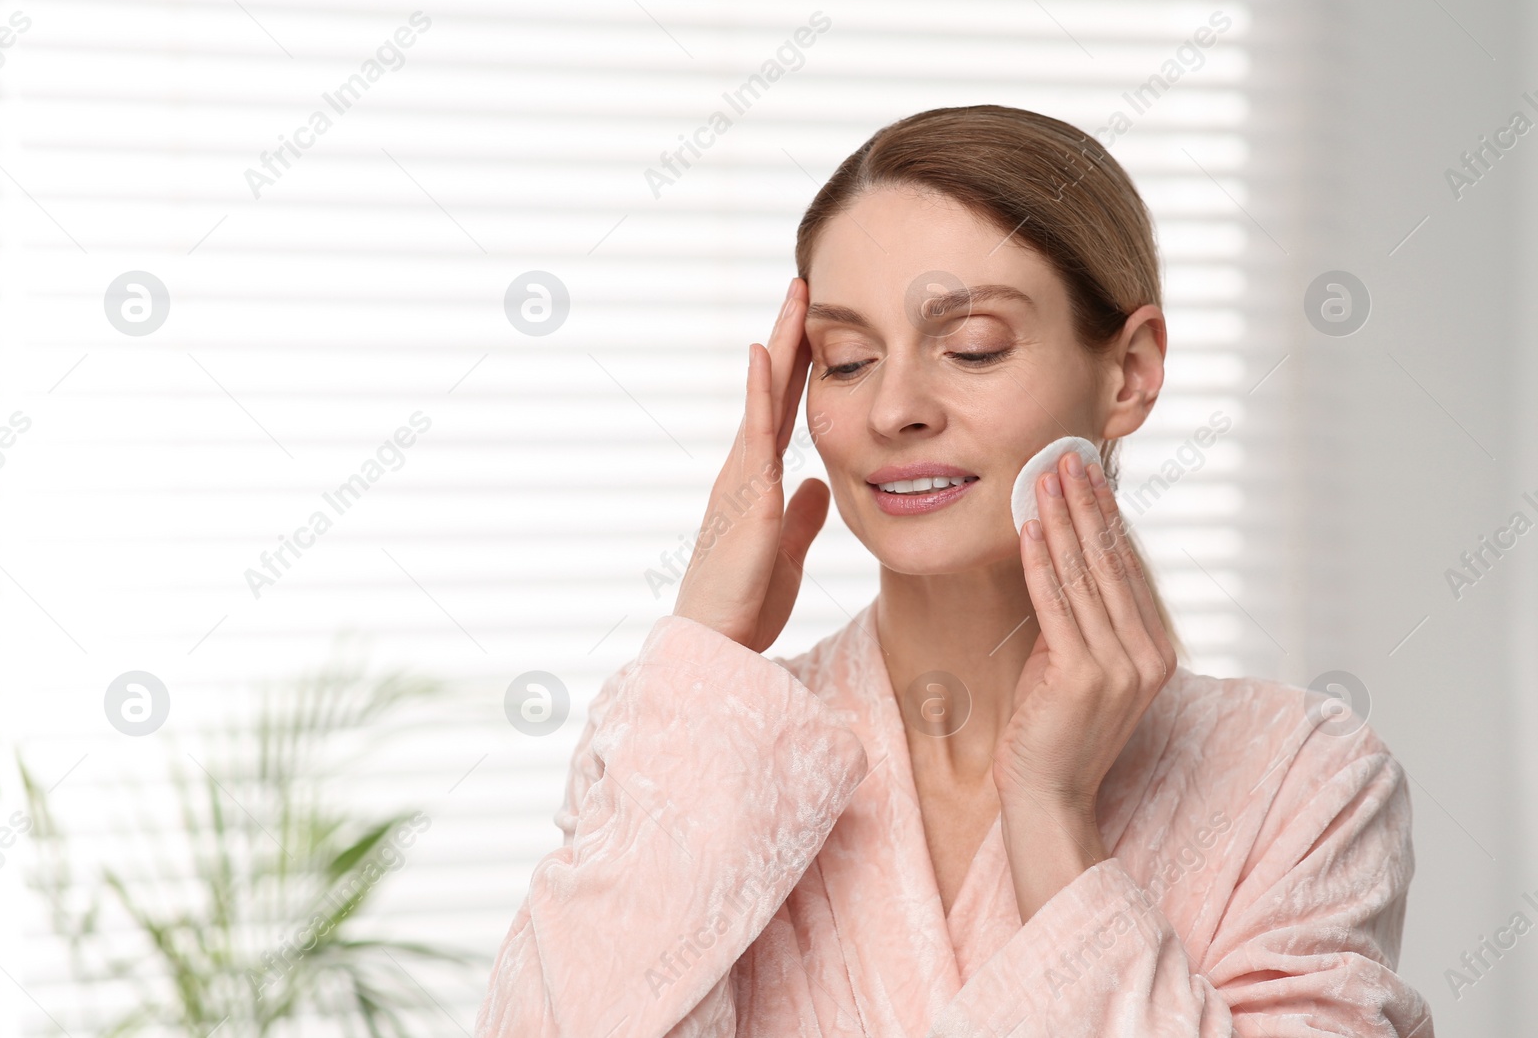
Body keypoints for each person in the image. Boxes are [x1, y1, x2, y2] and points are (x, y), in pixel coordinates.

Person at [472, 105, 1434, 1037]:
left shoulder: (1304, 782)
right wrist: (704, 649)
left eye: (972, 346)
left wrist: (1051, 815)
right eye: (845, 360)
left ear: (1131, 371)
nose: (895, 407)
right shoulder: (681, 740)